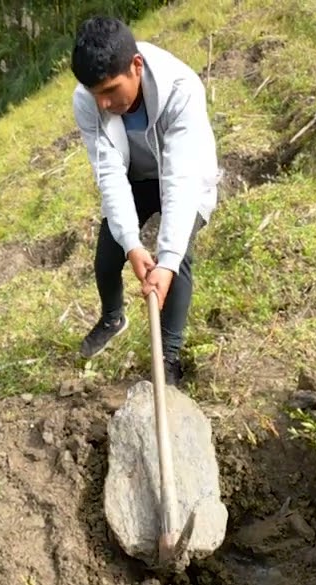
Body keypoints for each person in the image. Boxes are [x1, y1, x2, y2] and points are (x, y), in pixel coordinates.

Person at [71, 16, 219, 386]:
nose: (104, 103)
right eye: (96, 94)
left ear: (136, 66)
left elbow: (181, 179)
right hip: (136, 177)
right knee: (108, 255)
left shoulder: (181, 89)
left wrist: (164, 262)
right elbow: (109, 175)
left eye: (111, 90)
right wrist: (133, 244)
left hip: (183, 176)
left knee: (179, 259)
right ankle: (112, 318)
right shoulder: (88, 101)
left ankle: (167, 358)